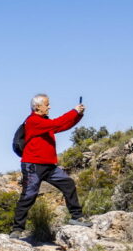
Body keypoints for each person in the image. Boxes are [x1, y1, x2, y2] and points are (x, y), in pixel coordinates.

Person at [11, 94, 91, 238]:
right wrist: (74, 111)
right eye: (47, 104)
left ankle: (76, 216)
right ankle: (17, 229)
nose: (49, 107)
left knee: (68, 184)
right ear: (37, 107)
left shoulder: (44, 122)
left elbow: (63, 125)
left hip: (49, 166)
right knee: (29, 195)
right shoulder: (33, 121)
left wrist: (78, 115)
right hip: (33, 165)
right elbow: (57, 123)